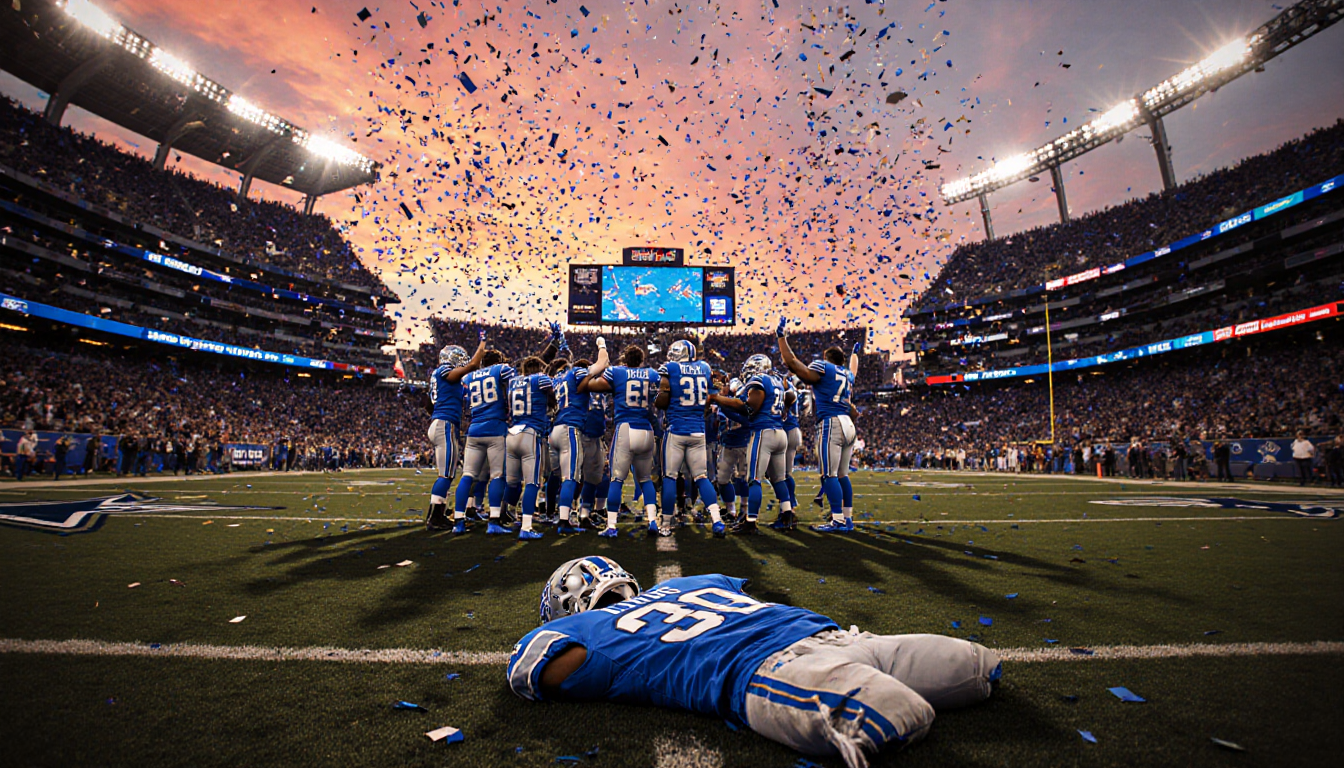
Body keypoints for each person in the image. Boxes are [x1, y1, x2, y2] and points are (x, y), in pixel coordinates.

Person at [508, 556, 1001, 768]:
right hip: (825, 641)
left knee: (924, 697)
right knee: (975, 666)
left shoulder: (582, 633)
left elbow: (531, 671)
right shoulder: (688, 583)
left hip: (778, 666)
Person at [778, 319, 859, 532]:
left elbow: (793, 364)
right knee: (842, 475)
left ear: (827, 359)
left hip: (831, 423)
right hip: (848, 423)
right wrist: (855, 355)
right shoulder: (847, 375)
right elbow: (853, 369)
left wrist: (781, 339)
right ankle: (847, 519)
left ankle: (837, 520)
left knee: (828, 475)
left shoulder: (823, 367)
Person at [581, 339, 661, 537]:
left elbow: (592, 386)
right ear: (642, 360)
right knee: (645, 479)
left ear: (625, 359)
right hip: (646, 429)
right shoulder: (651, 374)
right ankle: (652, 521)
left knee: (617, 479)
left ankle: (611, 525)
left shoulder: (616, 372)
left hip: (626, 428)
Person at [710, 354, 796, 535]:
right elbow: (790, 398)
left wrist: (718, 399)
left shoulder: (760, 380)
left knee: (754, 479)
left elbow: (747, 408)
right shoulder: (778, 381)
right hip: (779, 432)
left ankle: (750, 522)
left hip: (764, 432)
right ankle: (787, 514)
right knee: (778, 478)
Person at [654, 339, 725, 536]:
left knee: (669, 477)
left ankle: (666, 524)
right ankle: (717, 520)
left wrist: (657, 397)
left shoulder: (669, 368)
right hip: (698, 431)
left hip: (676, 430)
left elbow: (662, 401)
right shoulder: (704, 367)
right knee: (702, 477)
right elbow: (710, 397)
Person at [452, 344, 516, 533]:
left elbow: (463, 398)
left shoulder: (469, 376)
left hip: (474, 429)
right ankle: (494, 521)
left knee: (467, 475)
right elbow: (515, 386)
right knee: (497, 475)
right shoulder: (501, 369)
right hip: (496, 427)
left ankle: (458, 521)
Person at [425, 333, 485, 530]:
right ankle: (436, 517)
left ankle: (434, 512)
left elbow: (429, 404)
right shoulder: (443, 371)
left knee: (446, 472)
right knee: (446, 475)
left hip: (439, 422)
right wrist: (482, 345)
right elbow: (471, 366)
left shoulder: (443, 379)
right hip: (445, 424)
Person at [504, 356, 554, 540]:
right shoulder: (540, 378)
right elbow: (552, 396)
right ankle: (526, 526)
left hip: (513, 432)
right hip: (530, 432)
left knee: (512, 481)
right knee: (532, 482)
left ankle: (506, 514)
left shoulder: (514, 381)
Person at [548, 353, 592, 534]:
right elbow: (600, 365)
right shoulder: (576, 374)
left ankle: (551, 512)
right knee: (570, 477)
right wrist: (601, 346)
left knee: (555, 476)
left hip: (555, 429)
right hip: (569, 429)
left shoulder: (556, 380)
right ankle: (564, 520)